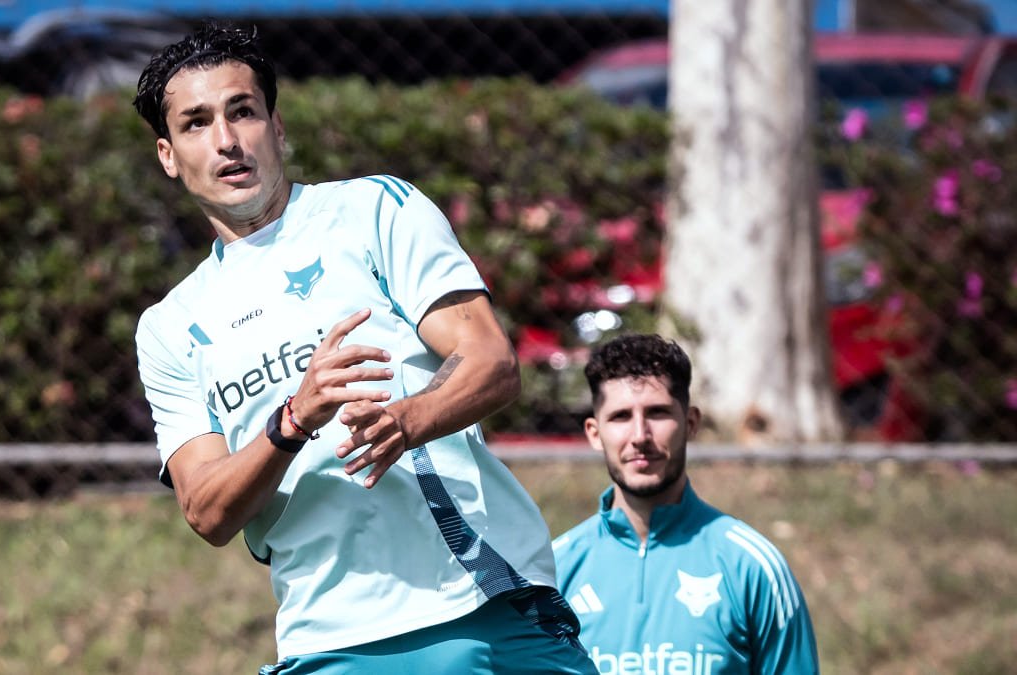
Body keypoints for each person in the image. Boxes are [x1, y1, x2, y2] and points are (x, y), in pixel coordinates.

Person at [130, 21, 597, 675]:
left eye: (243, 112)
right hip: (330, 644)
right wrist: (293, 418)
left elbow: (490, 359)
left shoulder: (374, 211)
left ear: (278, 127)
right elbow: (206, 508)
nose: (228, 141)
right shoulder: (169, 325)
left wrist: (405, 421)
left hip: (481, 608)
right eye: (197, 123)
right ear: (168, 155)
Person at [553, 334, 819, 675]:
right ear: (594, 432)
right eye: (620, 416)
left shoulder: (752, 568)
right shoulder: (555, 571)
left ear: (691, 423)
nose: (640, 436)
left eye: (658, 413)